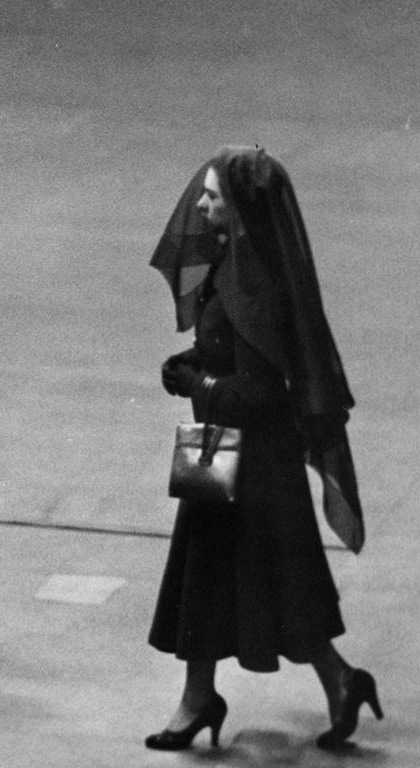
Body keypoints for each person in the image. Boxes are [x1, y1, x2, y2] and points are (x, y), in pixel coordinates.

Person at [146, 147, 381, 751]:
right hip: (225, 452)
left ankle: (329, 682)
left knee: (271, 585)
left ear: (242, 207)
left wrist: (198, 385)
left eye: (213, 196)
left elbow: (260, 395)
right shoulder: (235, 265)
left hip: (254, 465)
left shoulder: (257, 285)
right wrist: (196, 362)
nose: (200, 205)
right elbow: (230, 350)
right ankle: (218, 695)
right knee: (228, 580)